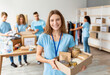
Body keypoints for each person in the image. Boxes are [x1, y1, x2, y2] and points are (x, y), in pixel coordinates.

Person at [36, 10, 86, 75]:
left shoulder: (69, 38)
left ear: (61, 21)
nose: (55, 23)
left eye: (57, 19)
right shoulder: (43, 37)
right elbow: (38, 56)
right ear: (49, 22)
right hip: (48, 72)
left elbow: (74, 56)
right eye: (52, 20)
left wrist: (79, 67)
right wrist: (48, 61)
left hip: (64, 73)